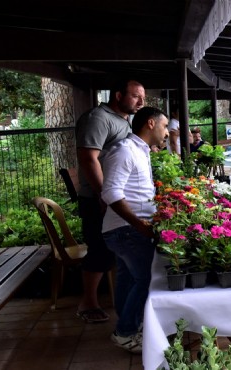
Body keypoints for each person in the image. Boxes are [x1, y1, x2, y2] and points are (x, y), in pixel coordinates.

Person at [75, 79, 145, 323]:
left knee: (115, 253)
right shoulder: (98, 118)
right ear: (118, 95)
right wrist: (103, 194)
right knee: (99, 250)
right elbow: (88, 158)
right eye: (136, 96)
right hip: (99, 199)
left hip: (115, 198)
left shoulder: (122, 120)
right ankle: (88, 303)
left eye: (142, 97)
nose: (141, 102)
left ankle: (119, 303)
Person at [100, 107, 168, 353]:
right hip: (126, 230)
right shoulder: (124, 151)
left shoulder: (140, 150)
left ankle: (129, 325)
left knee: (128, 279)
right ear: (151, 123)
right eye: (164, 126)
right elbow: (110, 193)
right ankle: (125, 331)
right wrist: (140, 225)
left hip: (126, 229)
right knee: (147, 279)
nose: (167, 133)